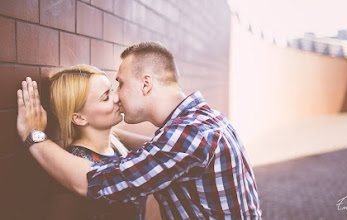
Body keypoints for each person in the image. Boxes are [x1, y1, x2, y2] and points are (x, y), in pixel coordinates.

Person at [17, 42, 262, 219]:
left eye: (120, 84)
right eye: (107, 94)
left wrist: (35, 137)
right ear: (79, 117)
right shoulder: (206, 121)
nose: (117, 96)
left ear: (146, 84)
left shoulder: (185, 136)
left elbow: (98, 182)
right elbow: (155, 150)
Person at [44, 65, 148, 220]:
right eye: (105, 97)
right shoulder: (73, 167)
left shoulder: (118, 147)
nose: (117, 98)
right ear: (79, 118)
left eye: (112, 90)